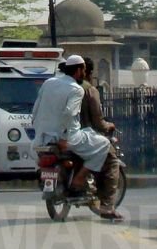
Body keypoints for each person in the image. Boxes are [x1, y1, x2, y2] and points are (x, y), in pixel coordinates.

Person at [31, 55, 118, 219]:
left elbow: (36, 109)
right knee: (104, 145)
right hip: (69, 137)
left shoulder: (49, 83)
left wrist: (39, 129)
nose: (84, 73)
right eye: (83, 70)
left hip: (43, 137)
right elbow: (70, 114)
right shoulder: (77, 89)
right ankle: (80, 177)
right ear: (79, 70)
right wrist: (64, 137)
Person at [79, 58, 120, 214]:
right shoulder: (89, 90)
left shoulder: (60, 87)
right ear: (87, 72)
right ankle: (107, 206)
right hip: (84, 137)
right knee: (112, 160)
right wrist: (108, 126)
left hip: (60, 136)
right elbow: (98, 121)